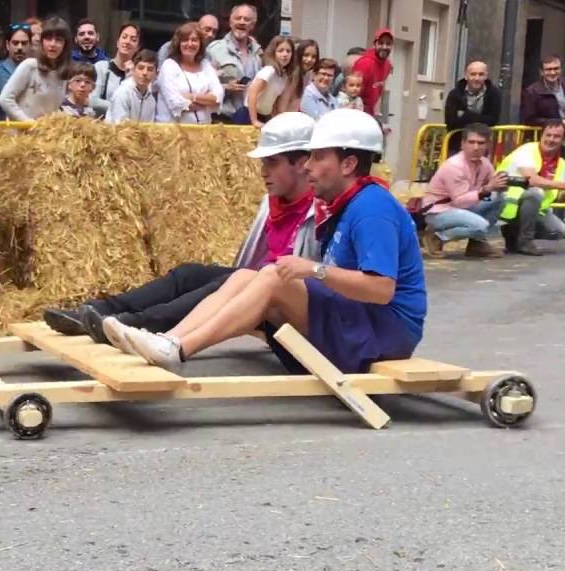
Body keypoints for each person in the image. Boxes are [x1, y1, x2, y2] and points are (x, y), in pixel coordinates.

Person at [106, 109, 426, 377]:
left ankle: (179, 349)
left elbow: (381, 289)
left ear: (349, 164)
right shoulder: (347, 203)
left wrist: (313, 270)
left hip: (385, 331)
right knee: (247, 275)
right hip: (359, 320)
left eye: (317, 157)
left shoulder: (372, 208)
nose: (309, 167)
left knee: (274, 277)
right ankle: (170, 341)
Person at [44, 113, 321, 341]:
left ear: (301, 163)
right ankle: (97, 310)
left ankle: (130, 325)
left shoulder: (320, 210)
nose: (263, 172)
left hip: (281, 300)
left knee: (226, 282)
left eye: (272, 163)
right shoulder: (273, 202)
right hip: (258, 283)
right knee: (190, 274)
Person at [421, 124, 507, 259]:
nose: (476, 147)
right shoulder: (454, 166)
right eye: (471, 142)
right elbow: (459, 201)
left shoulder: (484, 163)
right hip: (439, 212)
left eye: (480, 143)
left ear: (487, 145)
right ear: (463, 144)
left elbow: (493, 184)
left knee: (500, 198)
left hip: (461, 207)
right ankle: (436, 237)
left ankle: (476, 244)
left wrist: (503, 184)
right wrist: (487, 189)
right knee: (480, 226)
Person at [497, 120, 565, 256]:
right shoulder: (527, 150)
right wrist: (564, 185)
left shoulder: (560, 162)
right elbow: (532, 180)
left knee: (558, 231)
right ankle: (525, 241)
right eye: (548, 135)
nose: (551, 139)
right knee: (535, 193)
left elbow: (556, 195)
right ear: (541, 135)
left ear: (562, 140)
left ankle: (513, 234)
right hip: (503, 201)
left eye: (556, 136)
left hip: (535, 209)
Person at [0, 16, 70, 121]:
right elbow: (4, 99)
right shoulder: (30, 66)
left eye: (58, 40)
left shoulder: (62, 73)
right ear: (42, 41)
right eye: (48, 39)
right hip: (20, 134)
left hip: (46, 135)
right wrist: (29, 124)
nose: (53, 44)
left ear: (65, 44)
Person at [156, 21, 222, 125]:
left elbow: (218, 96)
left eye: (194, 40)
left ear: (200, 44)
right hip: (172, 133)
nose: (190, 44)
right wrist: (206, 104)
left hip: (203, 132)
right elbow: (175, 104)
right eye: (185, 40)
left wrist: (191, 97)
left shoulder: (206, 65)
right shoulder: (168, 66)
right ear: (178, 43)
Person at [205, 3, 260, 124]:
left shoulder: (258, 54)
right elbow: (202, 86)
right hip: (221, 120)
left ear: (252, 25)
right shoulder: (214, 49)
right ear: (230, 22)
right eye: (238, 18)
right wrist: (226, 88)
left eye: (247, 19)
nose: (242, 22)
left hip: (249, 120)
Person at [444, 60, 500, 156]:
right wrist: (481, 120)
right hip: (457, 144)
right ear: (466, 76)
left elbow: (492, 120)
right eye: (473, 74)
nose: (477, 78)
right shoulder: (455, 94)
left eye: (481, 74)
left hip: (482, 145)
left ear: (486, 76)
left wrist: (466, 115)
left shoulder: (494, 94)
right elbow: (451, 123)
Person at [245, 35, 299, 127]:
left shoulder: (284, 75)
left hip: (265, 116)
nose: (285, 54)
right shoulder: (269, 70)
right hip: (249, 115)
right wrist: (254, 120)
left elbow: (277, 103)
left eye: (288, 51)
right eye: (280, 51)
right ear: (273, 53)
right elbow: (252, 92)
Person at [520, 55, 565, 128]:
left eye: (556, 68)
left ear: (561, 69)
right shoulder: (532, 92)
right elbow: (529, 119)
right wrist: (559, 122)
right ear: (541, 72)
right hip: (547, 135)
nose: (553, 72)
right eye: (548, 69)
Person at [92, 22, 138, 114]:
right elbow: (93, 101)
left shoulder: (137, 75)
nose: (127, 42)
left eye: (133, 39)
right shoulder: (101, 67)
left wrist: (131, 79)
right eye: (124, 37)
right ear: (118, 42)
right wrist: (119, 107)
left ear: (138, 47)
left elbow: (136, 108)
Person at [105, 49, 157, 125]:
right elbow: (120, 127)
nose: (145, 73)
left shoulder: (151, 100)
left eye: (150, 69)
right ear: (134, 70)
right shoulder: (122, 93)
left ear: (156, 73)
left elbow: (149, 128)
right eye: (141, 68)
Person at [0, 22, 30, 118]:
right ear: (8, 45)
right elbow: (13, 101)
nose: (20, 47)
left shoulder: (33, 67)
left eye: (24, 43)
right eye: (15, 43)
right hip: (6, 126)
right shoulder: (0, 71)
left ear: (30, 45)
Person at [350, 28, 392, 119]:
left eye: (388, 44)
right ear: (374, 44)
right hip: (357, 113)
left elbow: (377, 92)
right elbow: (352, 92)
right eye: (381, 43)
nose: (384, 47)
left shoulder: (387, 65)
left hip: (370, 115)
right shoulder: (364, 63)